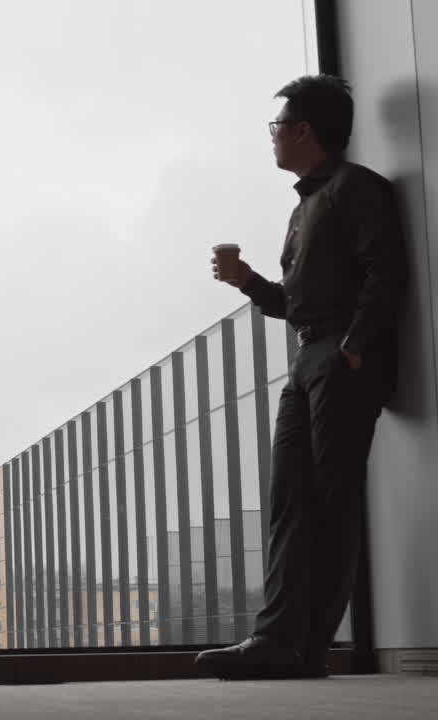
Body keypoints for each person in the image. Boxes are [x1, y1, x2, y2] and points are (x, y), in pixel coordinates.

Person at [196, 75, 406, 679]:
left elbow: (383, 267)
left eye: (277, 127)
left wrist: (357, 346)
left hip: (337, 357)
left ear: (303, 130)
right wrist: (247, 281)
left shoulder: (354, 188)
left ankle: (305, 647)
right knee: (290, 500)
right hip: (307, 356)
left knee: (330, 501)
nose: (273, 138)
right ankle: (279, 640)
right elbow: (294, 301)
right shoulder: (305, 205)